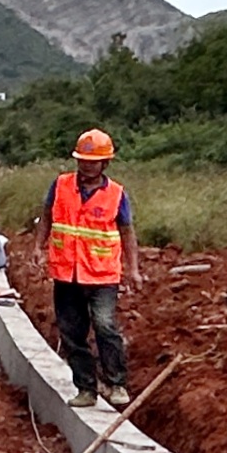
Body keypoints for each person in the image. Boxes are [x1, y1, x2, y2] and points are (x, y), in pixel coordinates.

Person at [34, 128, 134, 406]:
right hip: (67, 274)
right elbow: (46, 217)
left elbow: (127, 232)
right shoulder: (61, 185)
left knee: (105, 326)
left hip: (102, 275)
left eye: (93, 161)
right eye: (82, 160)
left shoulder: (116, 194)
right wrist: (38, 247)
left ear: (105, 163)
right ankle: (87, 389)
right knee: (72, 333)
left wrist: (133, 268)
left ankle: (116, 383)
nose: (86, 165)